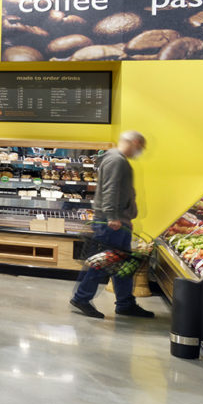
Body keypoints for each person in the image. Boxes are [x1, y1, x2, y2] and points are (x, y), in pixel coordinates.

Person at [71, 130, 154, 319]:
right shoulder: (117, 160)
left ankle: (125, 303)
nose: (140, 151)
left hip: (117, 221)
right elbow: (110, 188)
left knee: (122, 264)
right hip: (111, 223)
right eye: (141, 147)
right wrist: (112, 217)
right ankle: (81, 298)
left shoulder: (117, 159)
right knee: (101, 263)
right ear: (134, 142)